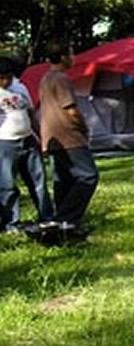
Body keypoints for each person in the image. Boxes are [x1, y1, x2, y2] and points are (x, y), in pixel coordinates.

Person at [37, 42, 98, 241]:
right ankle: (65, 220)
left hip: (52, 137)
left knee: (64, 180)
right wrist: (83, 127)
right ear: (63, 57)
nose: (74, 58)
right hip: (68, 135)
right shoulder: (61, 79)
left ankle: (64, 228)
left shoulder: (45, 78)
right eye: (71, 54)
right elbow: (70, 109)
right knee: (88, 176)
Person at [0, 58, 52, 233]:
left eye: (7, 77)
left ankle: (47, 216)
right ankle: (11, 222)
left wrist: (40, 137)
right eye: (1, 78)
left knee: (38, 181)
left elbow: (31, 113)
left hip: (27, 139)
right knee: (7, 185)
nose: (5, 82)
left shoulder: (20, 89)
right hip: (5, 143)